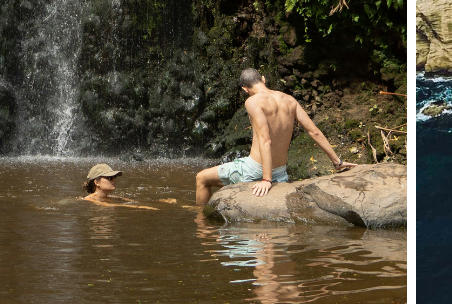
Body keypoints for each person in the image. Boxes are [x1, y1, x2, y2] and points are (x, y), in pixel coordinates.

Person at [194, 69, 357, 206]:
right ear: (263, 79)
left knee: (201, 178)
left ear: (245, 89)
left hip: (255, 169)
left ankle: (201, 222)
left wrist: (266, 180)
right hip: (280, 172)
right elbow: (314, 132)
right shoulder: (289, 100)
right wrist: (338, 162)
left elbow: (265, 140)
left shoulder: (253, 102)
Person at [79, 163, 158, 209]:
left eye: (114, 177)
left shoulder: (111, 197)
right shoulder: (89, 199)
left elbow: (134, 201)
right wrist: (141, 207)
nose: (114, 180)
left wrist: (160, 201)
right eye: (110, 178)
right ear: (97, 182)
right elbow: (109, 205)